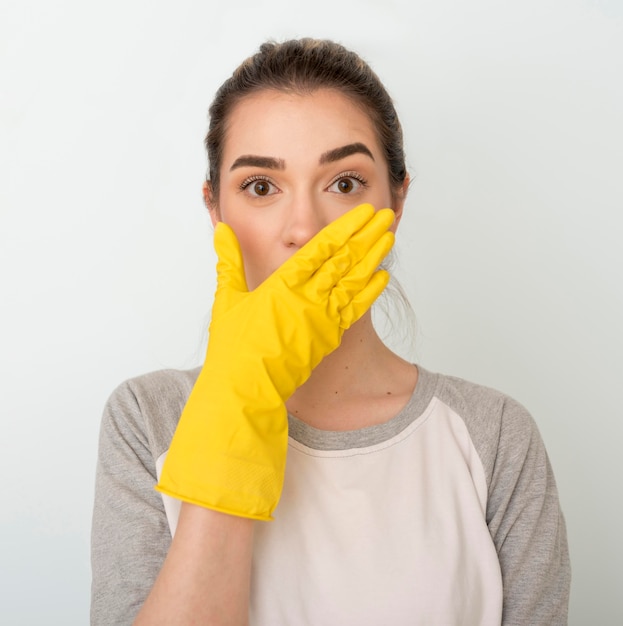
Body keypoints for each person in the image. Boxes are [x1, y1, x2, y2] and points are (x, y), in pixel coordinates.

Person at [91, 38, 570, 625]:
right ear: (215, 210)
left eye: (343, 183)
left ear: (397, 200)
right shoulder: (148, 419)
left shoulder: (494, 437)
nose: (304, 230)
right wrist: (237, 401)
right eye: (261, 187)